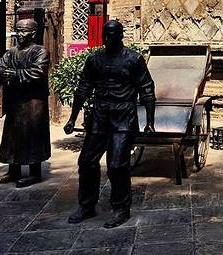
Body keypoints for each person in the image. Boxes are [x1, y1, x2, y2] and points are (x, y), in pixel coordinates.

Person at [64, 20, 155, 229]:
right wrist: (72, 118)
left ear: (121, 35)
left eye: (112, 34)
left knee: (116, 164)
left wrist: (149, 121)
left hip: (124, 116)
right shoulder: (94, 60)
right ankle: (87, 205)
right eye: (105, 35)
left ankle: (121, 208)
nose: (108, 38)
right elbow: (83, 89)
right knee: (86, 161)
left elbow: (147, 89)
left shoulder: (134, 59)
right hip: (100, 115)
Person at [0, 19, 51, 188]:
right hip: (15, 101)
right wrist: (2, 74)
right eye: (18, 31)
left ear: (33, 33)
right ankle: (13, 170)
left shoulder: (40, 51)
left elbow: (38, 72)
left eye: (24, 31)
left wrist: (15, 74)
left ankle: (34, 172)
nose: (20, 34)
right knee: (13, 136)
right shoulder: (11, 52)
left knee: (33, 135)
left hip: (34, 102)